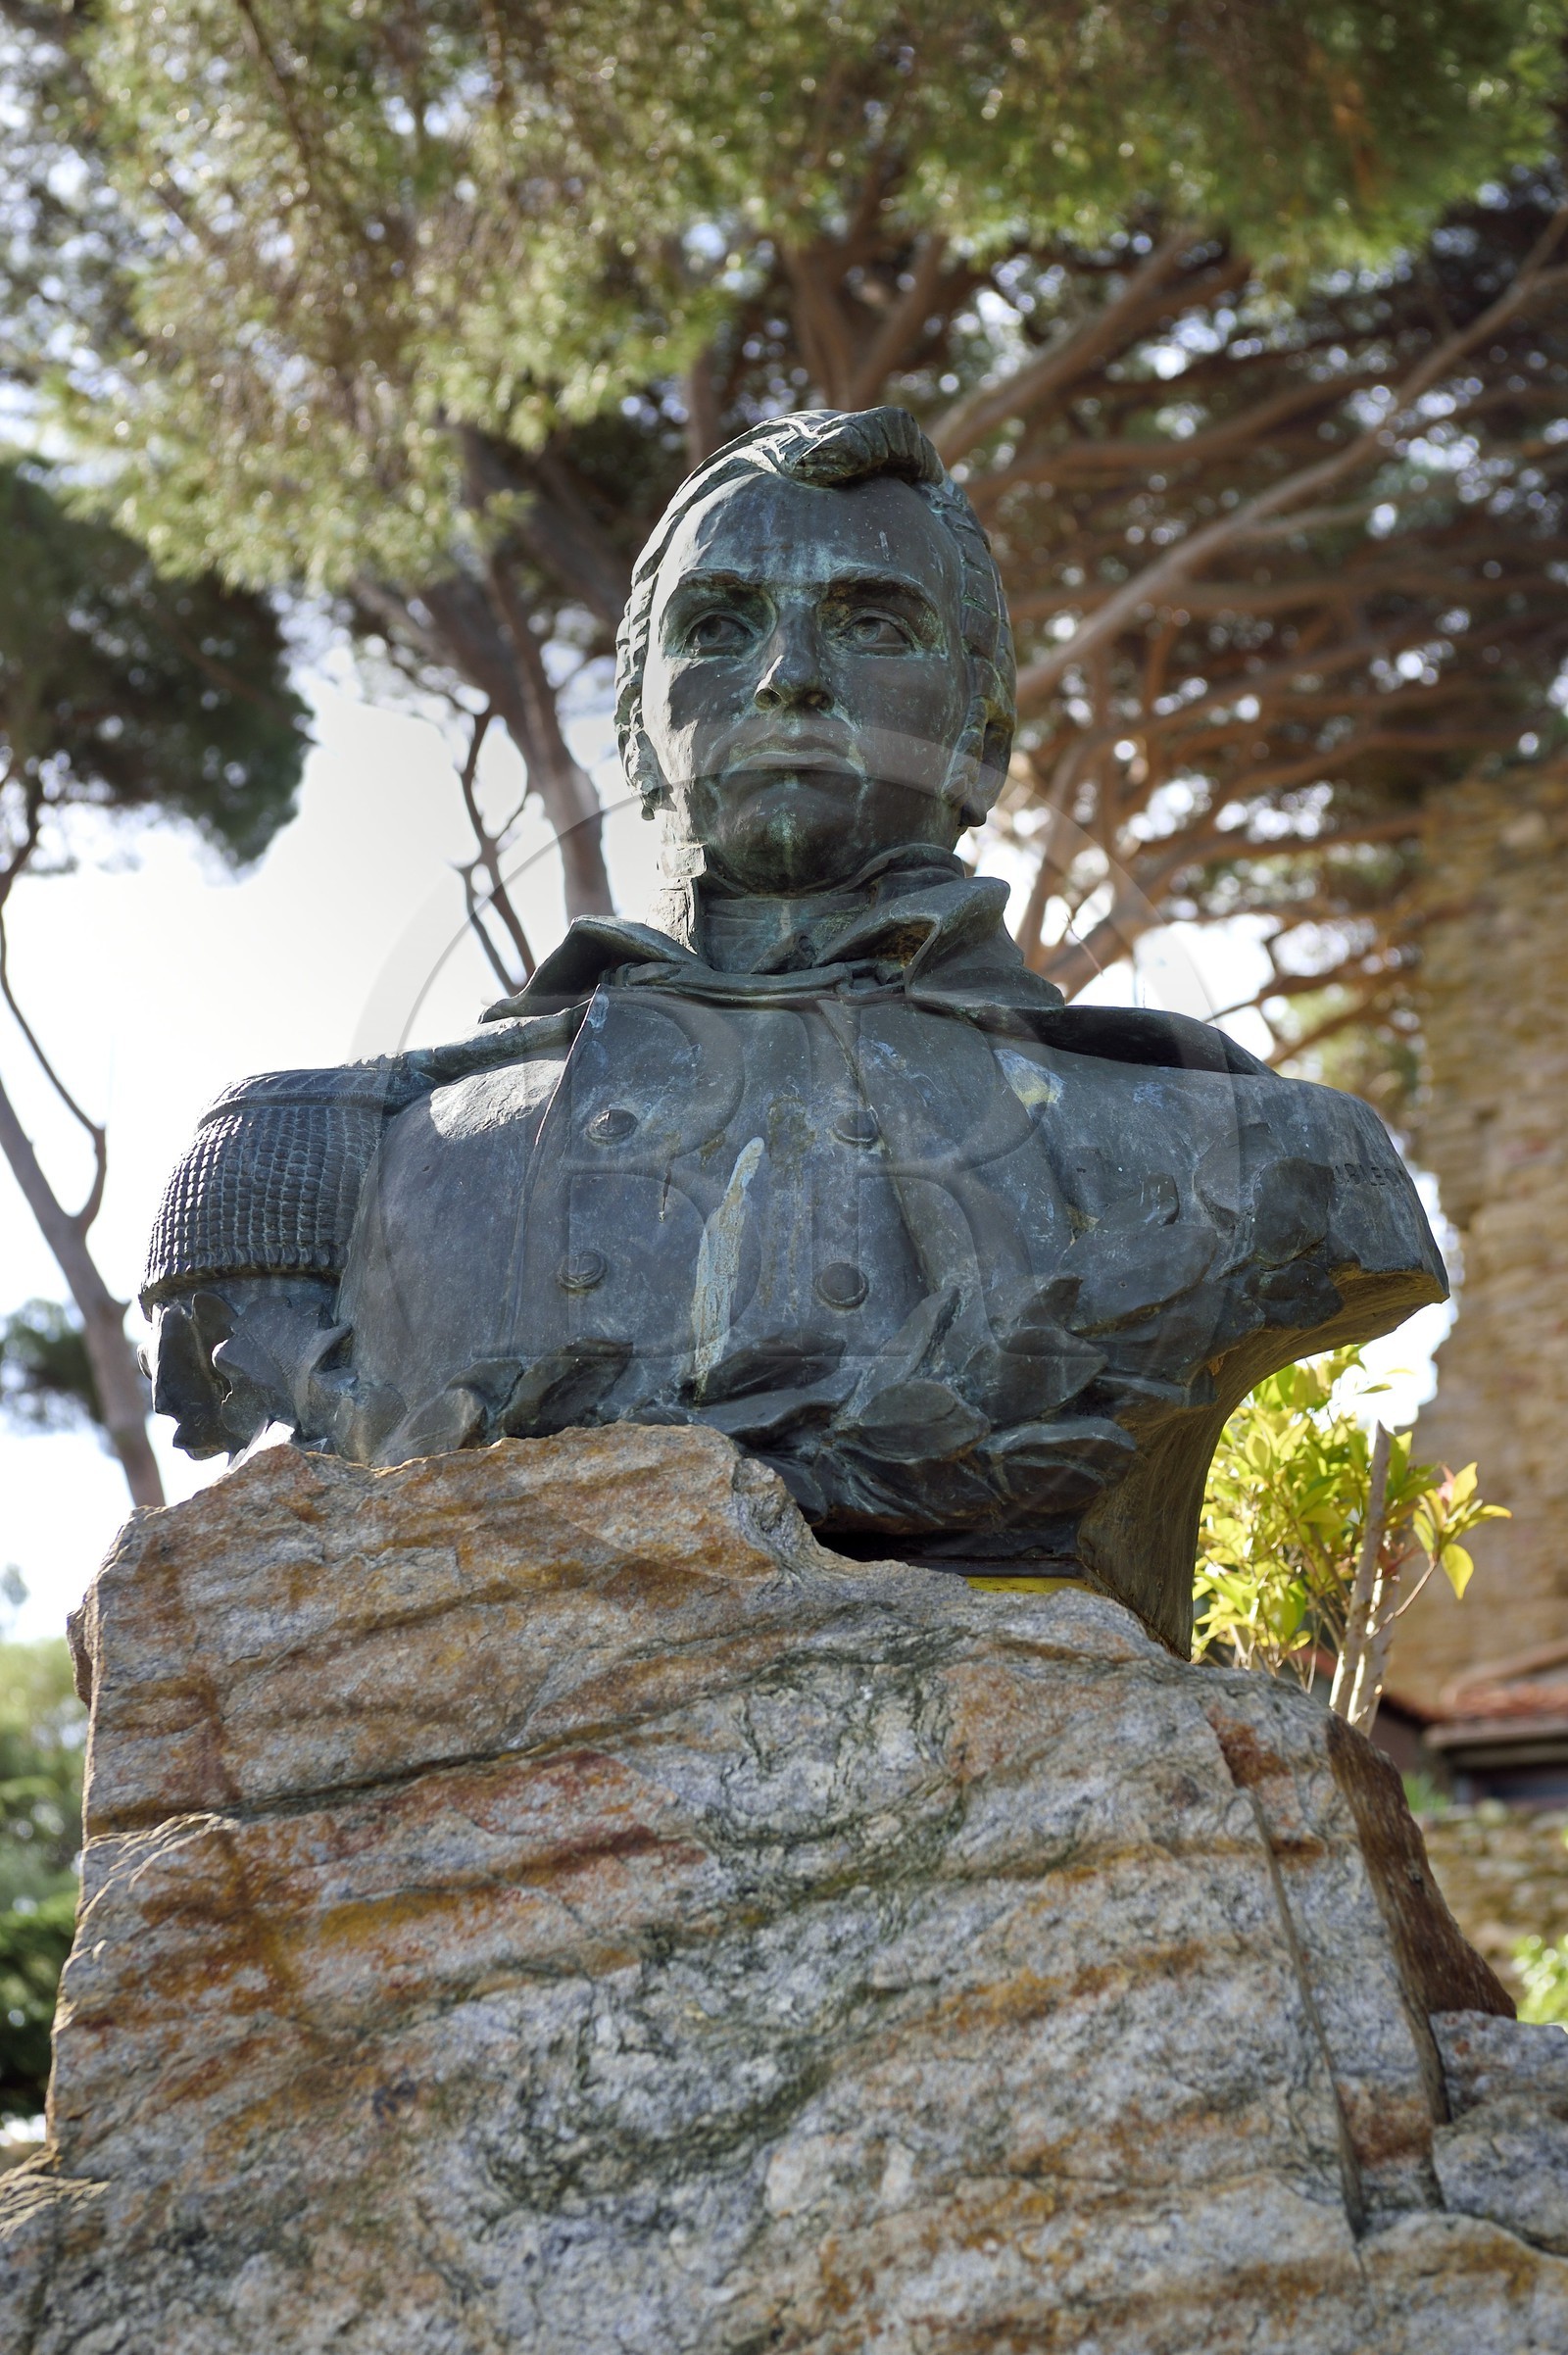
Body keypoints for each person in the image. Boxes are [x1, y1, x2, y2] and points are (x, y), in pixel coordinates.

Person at [142, 408, 1444, 1652]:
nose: (788, 678)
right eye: (720, 626)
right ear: (639, 734)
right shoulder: (318, 1162)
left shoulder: (1255, 1154)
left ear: (984, 729)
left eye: (873, 624)